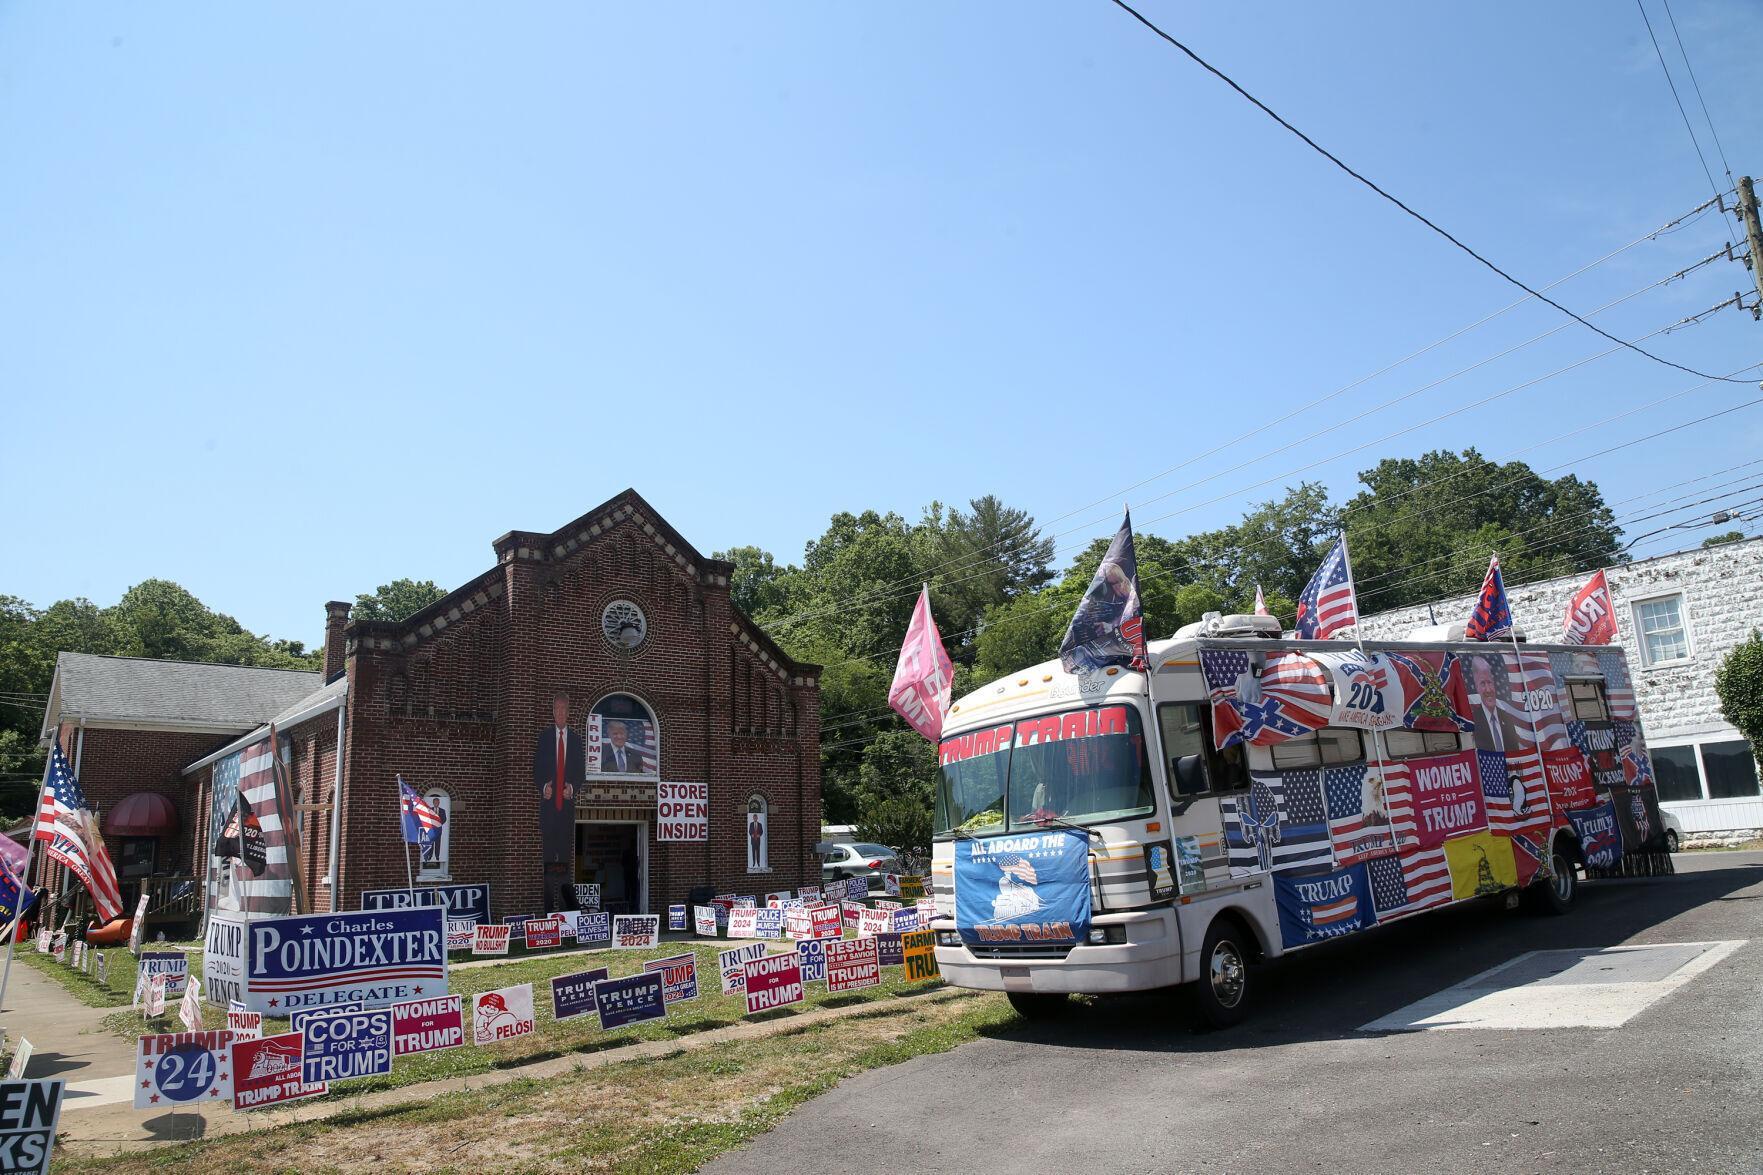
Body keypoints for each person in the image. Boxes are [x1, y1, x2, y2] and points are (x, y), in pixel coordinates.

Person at [532, 695, 583, 887]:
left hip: (566, 812)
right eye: (557, 709)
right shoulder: (544, 738)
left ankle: (564, 911)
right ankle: (548, 912)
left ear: (568, 713)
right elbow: (536, 770)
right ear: (553, 712)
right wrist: (544, 788)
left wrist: (572, 788)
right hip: (548, 812)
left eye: (564, 709)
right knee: (548, 864)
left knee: (564, 866)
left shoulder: (577, 741)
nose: (560, 712)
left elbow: (581, 774)